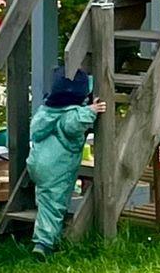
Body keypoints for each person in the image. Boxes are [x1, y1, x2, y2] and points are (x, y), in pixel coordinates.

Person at [28, 67, 106, 257]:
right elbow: (72, 125)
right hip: (57, 167)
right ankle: (43, 243)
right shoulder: (72, 114)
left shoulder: (46, 111)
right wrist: (91, 111)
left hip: (38, 163)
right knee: (53, 205)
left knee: (45, 200)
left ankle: (47, 235)